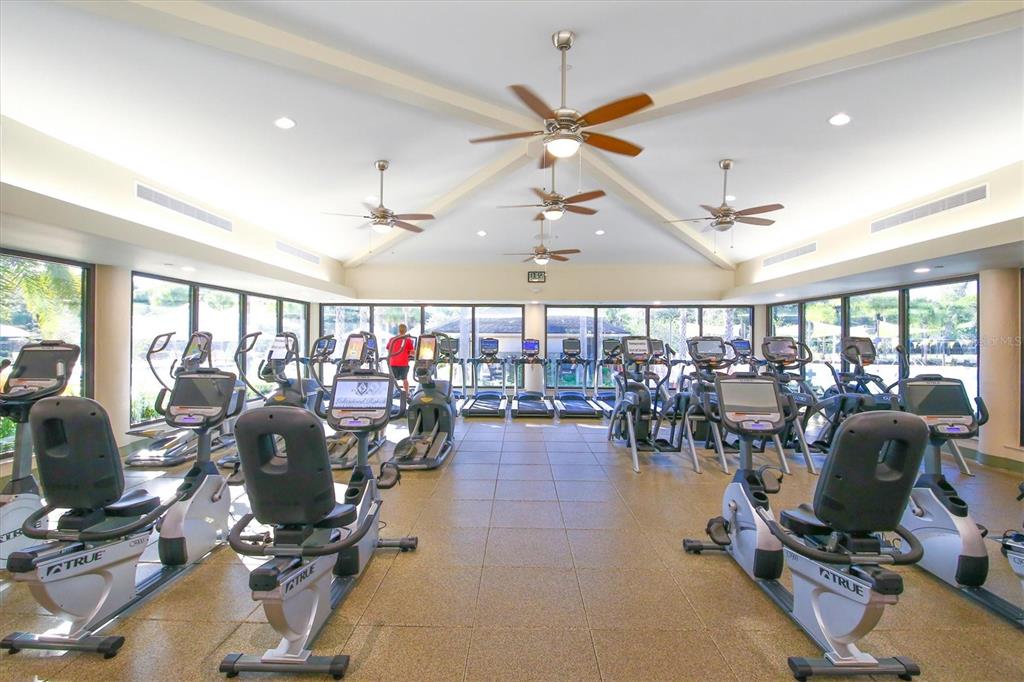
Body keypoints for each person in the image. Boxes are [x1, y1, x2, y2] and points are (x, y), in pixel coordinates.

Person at [386, 324, 415, 395]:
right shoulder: (408, 340)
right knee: (404, 379)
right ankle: (407, 393)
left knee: (393, 380)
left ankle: (390, 394)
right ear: (406, 330)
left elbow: (388, 349)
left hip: (393, 363)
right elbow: (412, 352)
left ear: (398, 330)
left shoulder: (392, 339)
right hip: (403, 363)